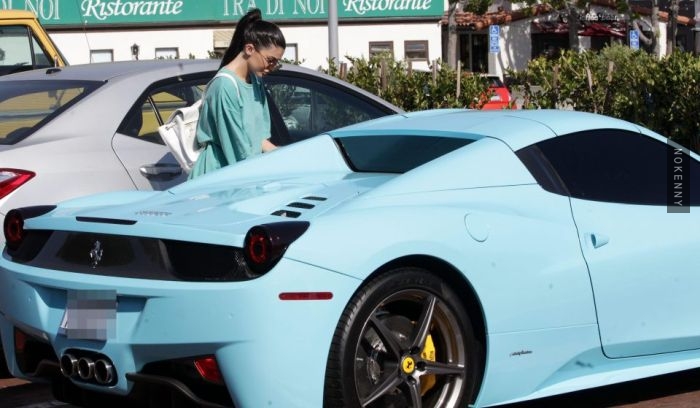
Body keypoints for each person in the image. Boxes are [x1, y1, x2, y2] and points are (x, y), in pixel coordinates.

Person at [189, 8, 285, 178]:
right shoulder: (224, 86)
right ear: (249, 49)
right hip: (217, 179)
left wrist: (287, 157)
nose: (272, 67)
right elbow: (237, 152)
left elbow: (260, 140)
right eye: (270, 60)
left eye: (276, 63)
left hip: (241, 175)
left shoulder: (256, 82)